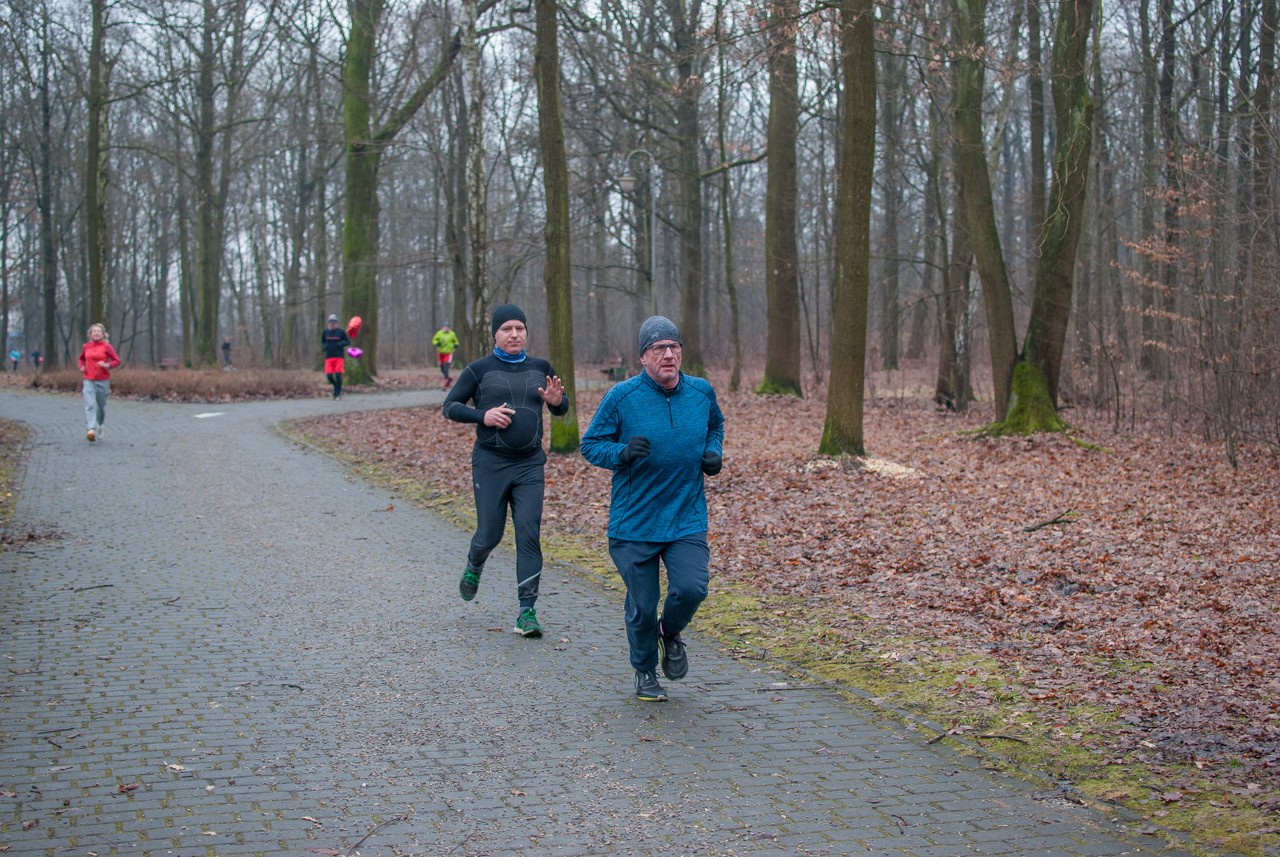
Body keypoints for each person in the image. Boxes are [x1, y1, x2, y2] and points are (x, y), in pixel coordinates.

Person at [580, 316, 724, 702]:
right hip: (634, 522)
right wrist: (622, 453)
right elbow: (590, 444)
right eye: (659, 348)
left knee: (692, 587)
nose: (668, 354)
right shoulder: (622, 397)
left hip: (685, 515)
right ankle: (644, 672)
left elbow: (715, 426)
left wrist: (714, 453)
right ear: (643, 357)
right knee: (643, 607)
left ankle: (670, 633)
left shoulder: (701, 392)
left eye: (674, 347)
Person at [442, 304, 568, 638]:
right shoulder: (478, 369)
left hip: (529, 465)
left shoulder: (541, 367)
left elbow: (562, 406)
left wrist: (556, 403)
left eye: (520, 328)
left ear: (526, 332)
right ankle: (474, 563)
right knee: (490, 534)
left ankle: (527, 612)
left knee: (529, 533)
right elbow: (450, 407)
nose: (514, 334)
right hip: (490, 465)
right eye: (507, 329)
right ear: (495, 334)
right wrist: (481, 416)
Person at [78, 323, 121, 442]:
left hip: (103, 380)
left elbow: (117, 361)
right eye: (94, 331)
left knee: (101, 407)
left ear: (103, 334)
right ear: (90, 335)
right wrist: (81, 366)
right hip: (88, 379)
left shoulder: (107, 347)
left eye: (99, 331)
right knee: (90, 405)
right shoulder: (86, 346)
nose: (96, 333)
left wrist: (107, 365)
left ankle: (100, 425)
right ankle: (90, 430)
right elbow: (81, 359)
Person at [320, 315, 350, 399]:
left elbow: (348, 342)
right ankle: (336, 387)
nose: (331, 325)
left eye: (333, 323)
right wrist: (323, 347)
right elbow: (323, 341)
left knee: (337, 375)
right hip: (329, 356)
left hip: (339, 356)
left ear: (336, 324)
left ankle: (337, 393)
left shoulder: (341, 332)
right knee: (329, 376)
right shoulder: (325, 332)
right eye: (330, 323)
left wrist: (341, 344)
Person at [432, 322, 460, 390]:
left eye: (447, 327)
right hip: (440, 352)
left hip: (448, 352)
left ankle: (445, 384)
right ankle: (449, 378)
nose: (446, 328)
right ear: (443, 327)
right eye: (445, 326)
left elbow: (456, 341)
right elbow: (434, 340)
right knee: (442, 368)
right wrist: (437, 343)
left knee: (445, 367)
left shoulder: (452, 334)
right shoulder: (439, 333)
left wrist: (455, 345)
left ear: (449, 327)